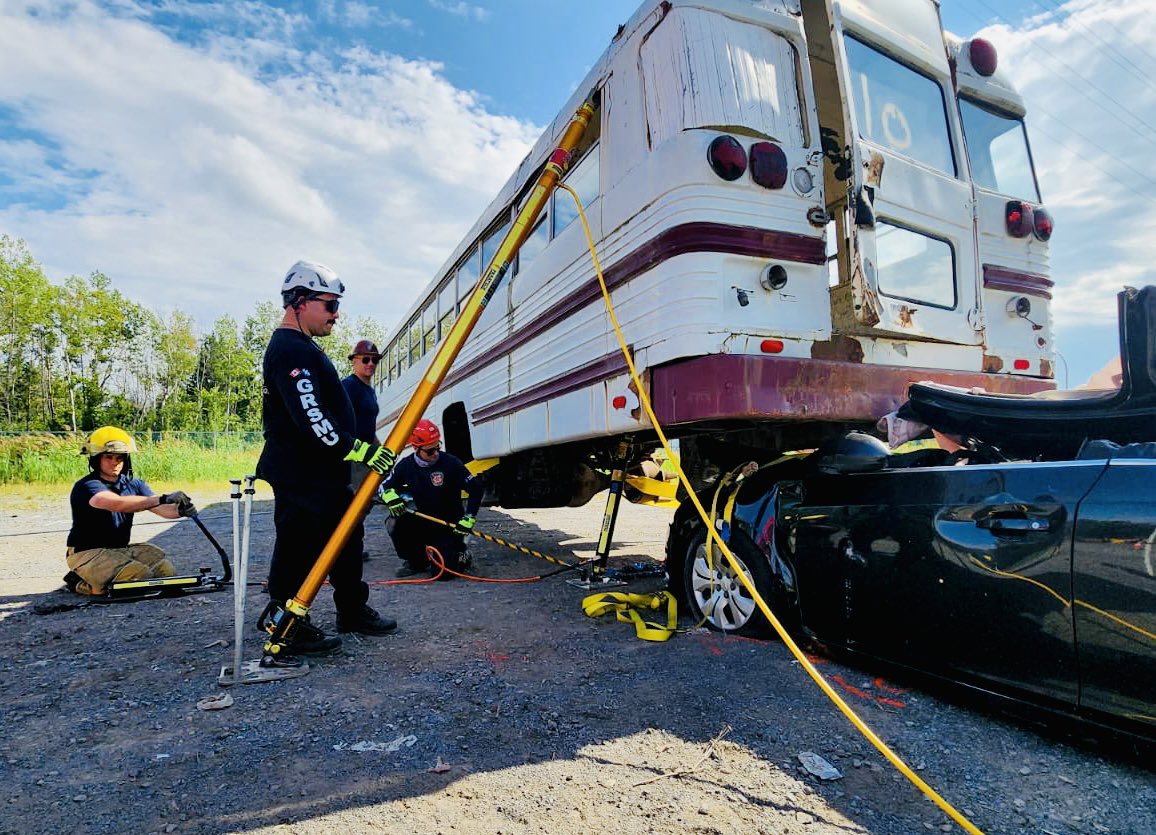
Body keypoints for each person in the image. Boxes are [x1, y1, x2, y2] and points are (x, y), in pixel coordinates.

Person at [256, 259, 398, 658]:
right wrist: (361, 451)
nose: (336, 315)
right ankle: (288, 625)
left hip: (324, 473)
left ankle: (351, 610)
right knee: (298, 548)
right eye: (330, 305)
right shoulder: (289, 350)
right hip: (302, 474)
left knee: (348, 540)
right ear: (299, 302)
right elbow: (312, 419)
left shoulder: (302, 348)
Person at [64, 426, 197, 596]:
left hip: (118, 549)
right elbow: (117, 503)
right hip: (87, 552)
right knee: (138, 576)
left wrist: (181, 510)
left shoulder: (134, 484)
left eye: (120, 457)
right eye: (109, 457)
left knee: (166, 572)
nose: (115, 462)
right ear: (96, 459)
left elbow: (164, 510)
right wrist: (163, 498)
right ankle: (81, 583)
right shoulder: (87, 486)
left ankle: (101, 578)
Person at [378, 419, 484, 579]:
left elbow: (476, 489)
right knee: (395, 521)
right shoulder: (406, 466)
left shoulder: (450, 463)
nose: (435, 453)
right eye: (430, 451)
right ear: (415, 448)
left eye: (437, 447)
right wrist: (391, 497)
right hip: (424, 518)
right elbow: (384, 486)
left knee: (443, 574)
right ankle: (416, 561)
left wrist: (468, 518)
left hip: (449, 524)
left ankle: (462, 555)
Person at [342, 339, 382, 561]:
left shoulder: (369, 390)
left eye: (374, 360)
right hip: (354, 455)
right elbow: (340, 422)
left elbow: (368, 425)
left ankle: (352, 545)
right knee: (357, 501)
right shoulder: (348, 387)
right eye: (365, 359)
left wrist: (379, 447)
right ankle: (344, 549)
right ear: (354, 361)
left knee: (366, 501)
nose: (370, 364)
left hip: (368, 450)